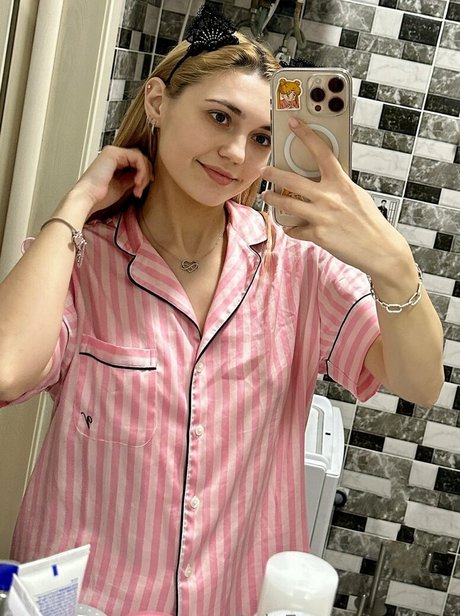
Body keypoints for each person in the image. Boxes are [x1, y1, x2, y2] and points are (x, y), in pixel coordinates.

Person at [0, 3, 444, 615]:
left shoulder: (296, 271)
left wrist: (393, 263)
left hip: (233, 599)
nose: (236, 152)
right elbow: (6, 372)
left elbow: (420, 382)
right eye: (219, 116)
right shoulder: (83, 263)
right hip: (91, 602)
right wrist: (76, 203)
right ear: (158, 102)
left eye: (261, 138)